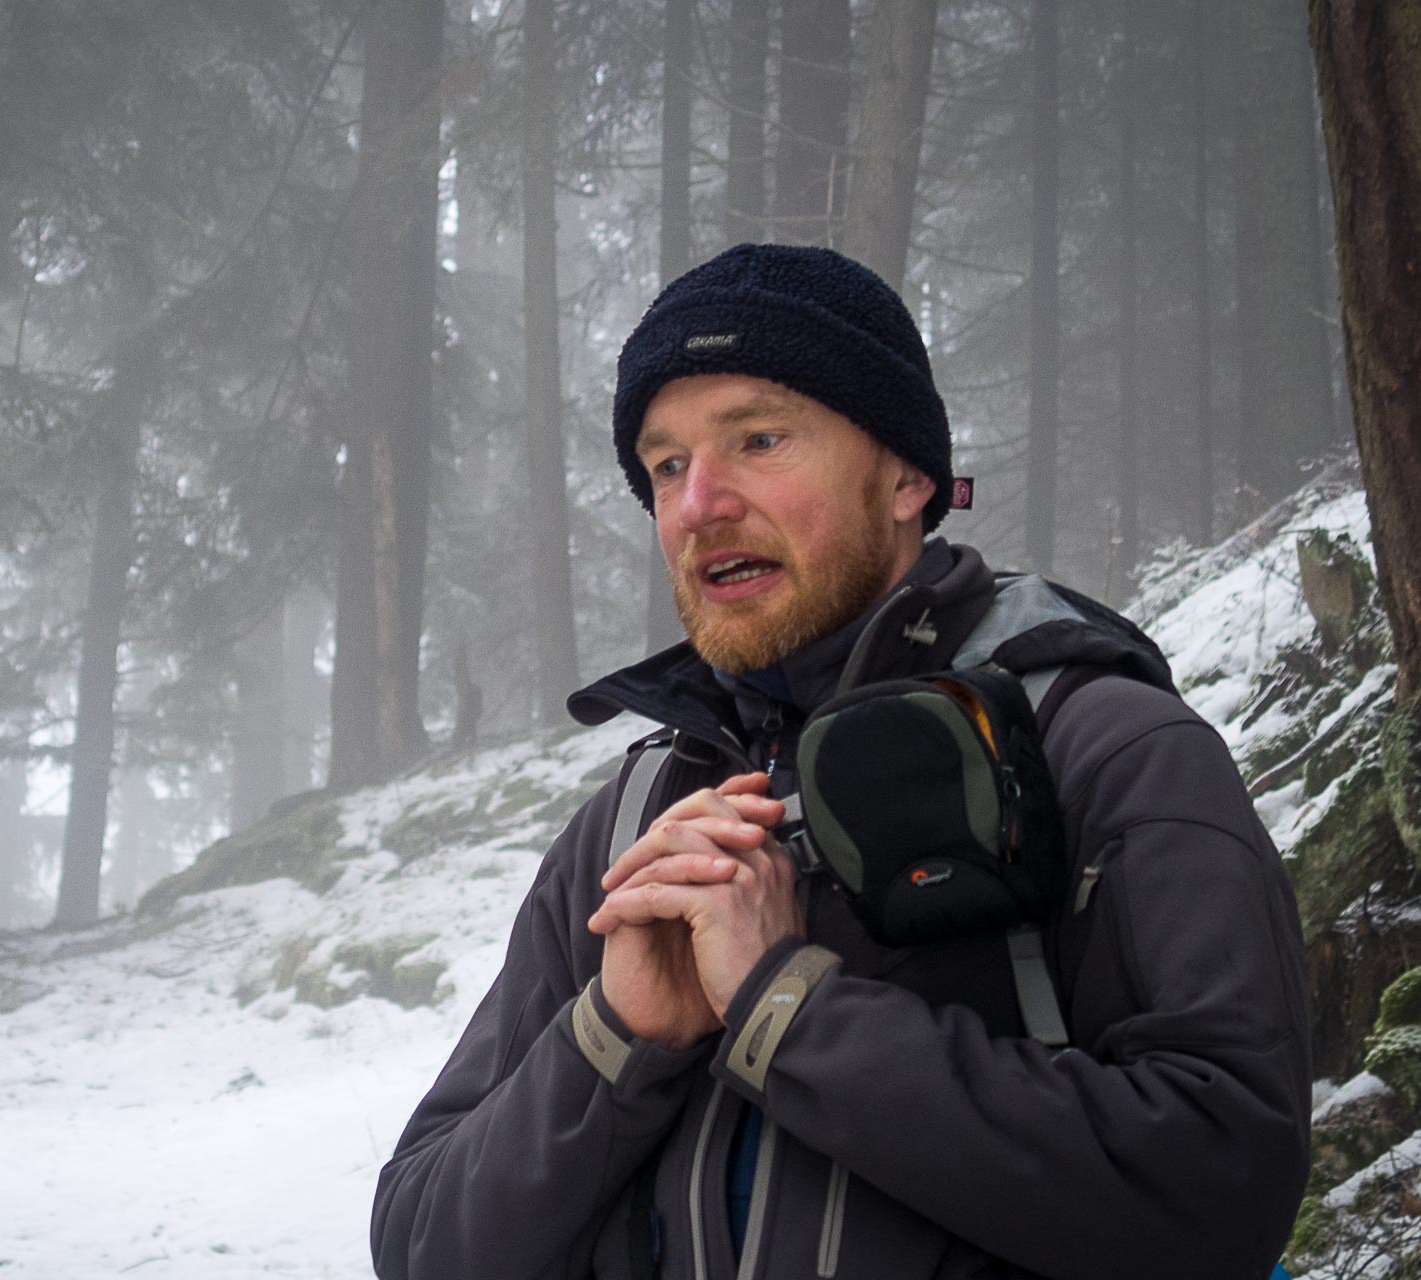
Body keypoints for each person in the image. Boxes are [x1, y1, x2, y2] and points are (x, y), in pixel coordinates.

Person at [371, 244, 1311, 1280]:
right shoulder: (635, 818)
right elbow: (423, 1243)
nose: (697, 505)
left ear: (907, 473)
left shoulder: (1105, 748)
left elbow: (1224, 1190)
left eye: (759, 437)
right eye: (666, 463)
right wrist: (618, 1031)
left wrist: (790, 1007)